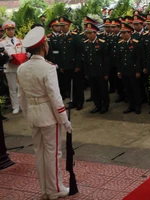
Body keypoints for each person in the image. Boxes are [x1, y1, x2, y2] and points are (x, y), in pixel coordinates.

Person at [17, 27, 72, 199]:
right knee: (53, 154)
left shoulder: (22, 68)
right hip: (48, 116)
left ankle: (44, 190)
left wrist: (28, 116)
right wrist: (64, 120)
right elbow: (55, 97)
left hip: (34, 116)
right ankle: (55, 188)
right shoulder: (47, 68)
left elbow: (21, 98)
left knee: (39, 153)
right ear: (43, 47)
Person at [83, 23, 110, 114]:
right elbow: (86, 59)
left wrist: (106, 73)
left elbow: (106, 59)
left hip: (100, 71)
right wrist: (86, 72)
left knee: (103, 89)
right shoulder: (86, 44)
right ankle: (97, 105)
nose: (88, 35)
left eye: (90, 33)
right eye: (87, 33)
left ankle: (105, 106)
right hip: (91, 71)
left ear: (95, 33)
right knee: (94, 90)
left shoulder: (102, 43)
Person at [0, 20, 26, 114]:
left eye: (12, 29)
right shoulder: (2, 43)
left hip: (20, 66)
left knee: (21, 87)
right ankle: (15, 106)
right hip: (10, 67)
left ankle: (22, 105)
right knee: (13, 88)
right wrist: (9, 56)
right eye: (8, 29)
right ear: (5, 31)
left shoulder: (20, 40)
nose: (11, 31)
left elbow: (24, 52)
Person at [117, 23, 143, 114]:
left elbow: (138, 59)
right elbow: (119, 59)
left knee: (135, 89)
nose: (122, 35)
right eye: (122, 33)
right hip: (124, 71)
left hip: (133, 70)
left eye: (124, 33)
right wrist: (119, 71)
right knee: (128, 89)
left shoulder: (136, 44)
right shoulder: (120, 44)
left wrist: (138, 71)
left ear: (129, 33)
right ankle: (131, 105)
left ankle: (138, 106)